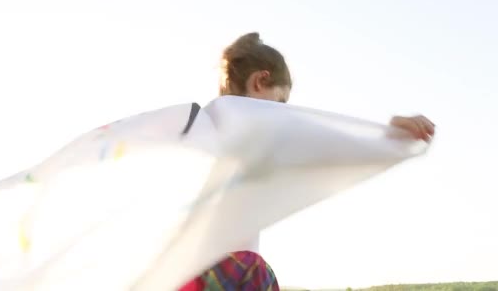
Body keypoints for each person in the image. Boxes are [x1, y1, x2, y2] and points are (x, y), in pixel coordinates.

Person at [179, 32, 435, 290]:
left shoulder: (196, 128)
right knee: (255, 269)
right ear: (260, 81)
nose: (282, 111)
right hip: (223, 276)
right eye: (281, 101)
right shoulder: (252, 127)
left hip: (180, 278)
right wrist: (391, 137)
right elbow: (324, 146)